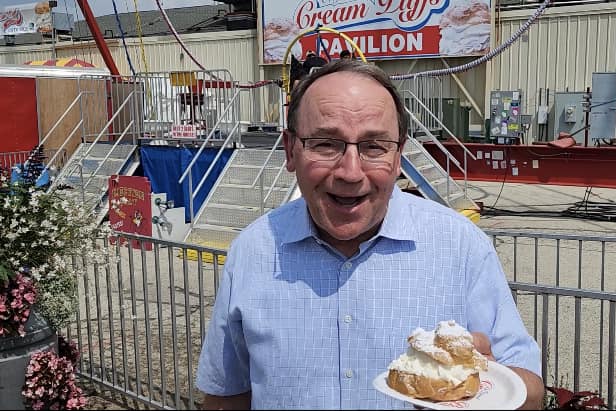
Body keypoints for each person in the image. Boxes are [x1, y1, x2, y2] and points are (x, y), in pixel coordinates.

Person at [195, 60, 543, 410]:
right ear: (290, 150)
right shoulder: (253, 251)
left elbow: (530, 391)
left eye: (374, 146)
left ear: (398, 156)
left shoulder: (461, 246)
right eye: (326, 144)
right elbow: (226, 396)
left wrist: (490, 386)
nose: (350, 172)